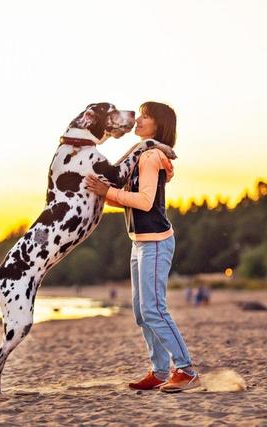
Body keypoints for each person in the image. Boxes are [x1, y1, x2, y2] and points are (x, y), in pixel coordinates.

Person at [85, 101, 200, 393]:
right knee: (140, 311)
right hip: (139, 244)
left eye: (145, 116)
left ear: (158, 126)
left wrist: (108, 191)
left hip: (156, 242)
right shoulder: (141, 157)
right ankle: (160, 372)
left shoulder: (150, 157)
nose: (138, 119)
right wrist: (105, 193)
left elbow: (145, 202)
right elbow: (126, 196)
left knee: (154, 309)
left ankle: (185, 370)